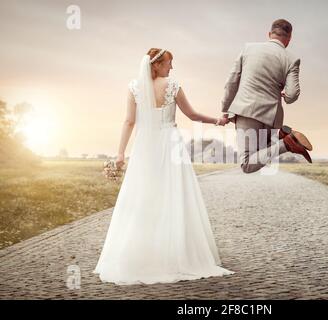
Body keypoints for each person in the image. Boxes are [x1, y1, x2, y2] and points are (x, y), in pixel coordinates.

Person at [93, 48, 234, 285]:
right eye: (169, 63)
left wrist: (120, 153)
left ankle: (143, 253)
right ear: (156, 65)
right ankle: (174, 253)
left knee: (144, 197)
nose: (172, 67)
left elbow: (129, 121)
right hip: (170, 144)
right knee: (173, 196)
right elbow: (193, 115)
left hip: (145, 146)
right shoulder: (172, 86)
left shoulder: (134, 87)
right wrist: (217, 121)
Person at [221, 19, 313, 174]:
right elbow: (291, 95)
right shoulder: (292, 59)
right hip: (271, 118)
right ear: (289, 38)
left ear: (270, 34)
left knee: (247, 164)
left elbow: (231, 82)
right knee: (261, 154)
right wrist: (284, 95)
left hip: (246, 111)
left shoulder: (248, 49)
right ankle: (282, 139)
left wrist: (225, 110)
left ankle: (287, 143)